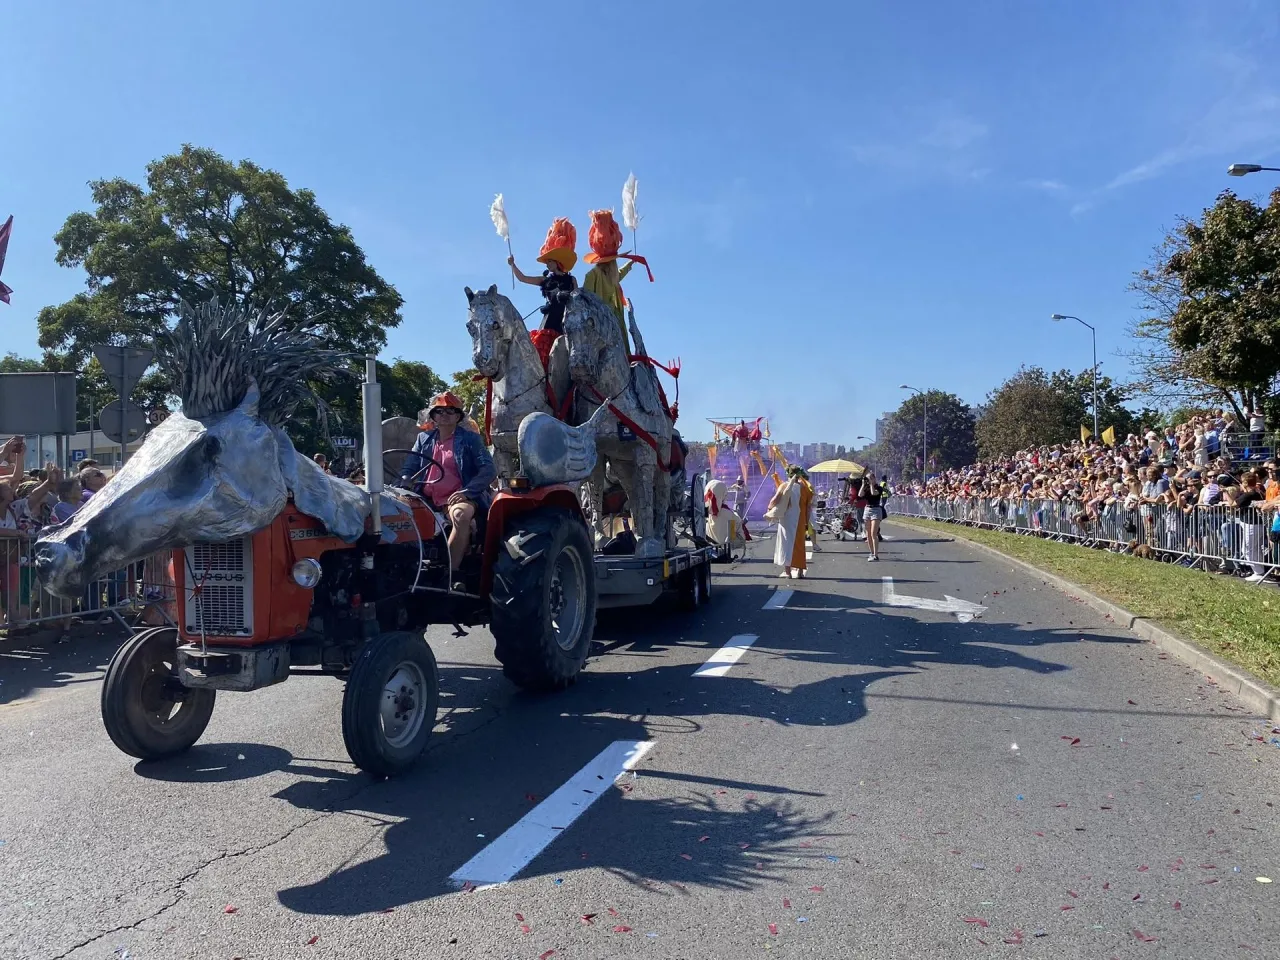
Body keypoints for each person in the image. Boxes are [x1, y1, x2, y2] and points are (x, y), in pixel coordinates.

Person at [399, 391, 497, 583]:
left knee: (461, 516)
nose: (444, 415)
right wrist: (404, 481)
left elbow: (488, 469)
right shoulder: (424, 439)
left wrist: (466, 492)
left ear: (458, 416)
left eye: (451, 411)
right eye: (440, 411)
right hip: (425, 498)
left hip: (458, 496)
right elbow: (409, 467)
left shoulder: (470, 439)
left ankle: (451, 574)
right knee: (389, 512)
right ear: (433, 415)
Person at [581, 208, 653, 348]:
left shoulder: (612, 276)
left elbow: (620, 274)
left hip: (616, 319)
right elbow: (585, 298)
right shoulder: (592, 275)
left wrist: (631, 262)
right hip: (600, 321)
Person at [509, 217, 579, 341]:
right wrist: (513, 265)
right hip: (550, 322)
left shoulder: (572, 280)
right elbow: (523, 278)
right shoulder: (545, 280)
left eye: (549, 261)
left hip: (567, 321)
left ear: (557, 262)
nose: (547, 264)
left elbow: (577, 301)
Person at [766, 467, 810, 579]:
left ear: (788, 475)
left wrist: (770, 509)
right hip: (800, 519)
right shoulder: (804, 488)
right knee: (799, 544)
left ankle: (788, 572)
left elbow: (775, 500)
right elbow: (808, 506)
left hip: (786, 518)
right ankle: (800, 571)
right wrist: (806, 521)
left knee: (786, 544)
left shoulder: (784, 486)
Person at [859, 470, 884, 561]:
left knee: (874, 533)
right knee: (868, 534)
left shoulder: (879, 488)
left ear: (874, 479)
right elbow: (860, 494)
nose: (868, 480)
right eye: (868, 479)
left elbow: (874, 493)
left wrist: (871, 484)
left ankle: (876, 555)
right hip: (867, 509)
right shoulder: (866, 487)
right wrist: (863, 484)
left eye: (870, 478)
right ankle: (871, 552)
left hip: (876, 510)